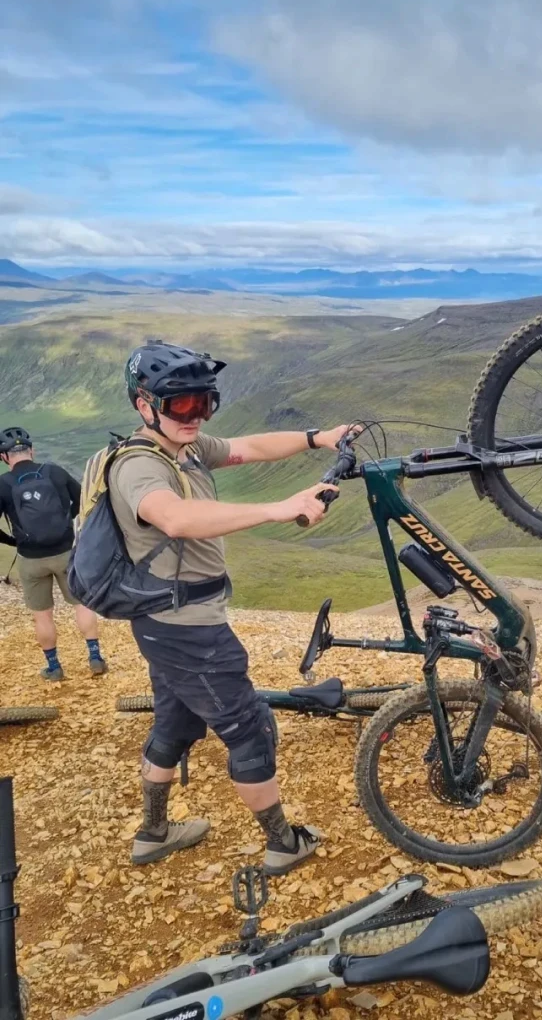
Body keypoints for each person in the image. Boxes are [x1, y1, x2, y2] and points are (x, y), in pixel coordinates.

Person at [108, 340, 357, 873]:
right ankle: (281, 843)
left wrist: (319, 438)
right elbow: (174, 518)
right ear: (143, 404)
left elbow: (249, 447)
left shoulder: (184, 448)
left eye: (205, 403)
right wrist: (279, 508)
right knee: (250, 728)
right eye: (181, 405)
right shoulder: (137, 467)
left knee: (173, 724)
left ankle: (153, 834)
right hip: (187, 629)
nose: (195, 416)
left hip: (167, 623)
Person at [0, 427, 107, 681]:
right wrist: (65, 521)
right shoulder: (54, 472)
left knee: (42, 615)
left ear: (4, 457)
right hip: (65, 552)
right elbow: (83, 498)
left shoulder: (2, 485)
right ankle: (95, 658)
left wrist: (14, 542)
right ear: (31, 450)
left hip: (30, 559)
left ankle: (54, 667)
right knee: (81, 603)